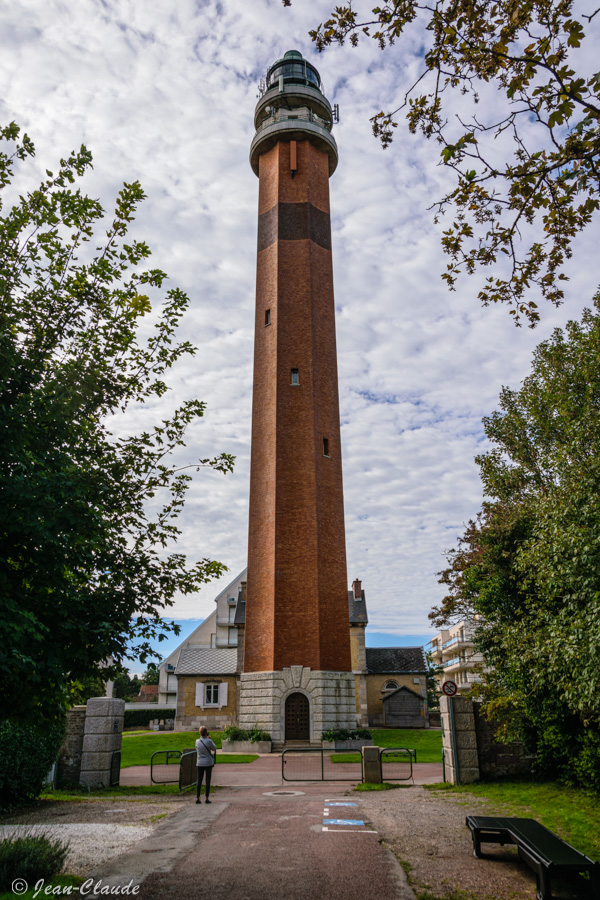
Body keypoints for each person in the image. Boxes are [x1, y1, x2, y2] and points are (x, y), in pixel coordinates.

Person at [195, 725, 216, 804]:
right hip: (208, 763)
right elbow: (214, 748)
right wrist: (210, 740)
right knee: (207, 780)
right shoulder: (209, 741)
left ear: (200, 733)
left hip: (200, 763)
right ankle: (207, 798)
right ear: (206, 732)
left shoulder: (197, 741)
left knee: (199, 780)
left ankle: (198, 798)